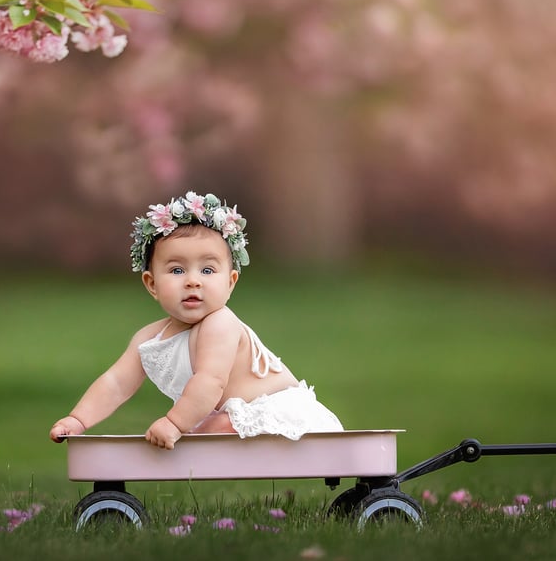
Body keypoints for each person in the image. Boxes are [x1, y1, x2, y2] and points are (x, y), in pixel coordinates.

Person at [49, 191, 343, 450]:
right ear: (152, 284)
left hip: (271, 410)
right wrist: (79, 419)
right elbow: (115, 383)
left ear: (230, 282)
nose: (192, 281)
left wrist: (175, 423)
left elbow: (210, 382)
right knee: (205, 428)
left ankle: (191, 431)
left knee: (208, 429)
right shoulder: (149, 338)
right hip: (219, 414)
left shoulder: (220, 324)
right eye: (177, 271)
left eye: (207, 270)